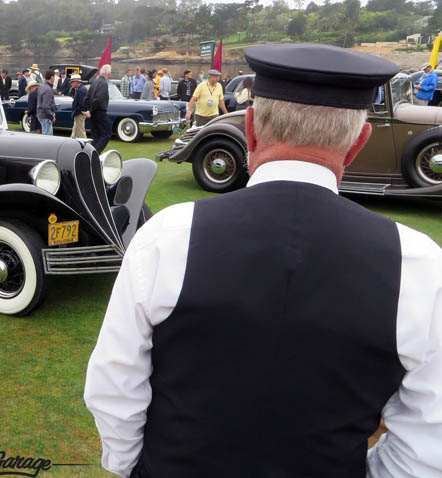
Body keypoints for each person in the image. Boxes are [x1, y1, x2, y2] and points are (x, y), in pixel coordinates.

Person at [85, 42, 442, 478]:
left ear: (250, 128)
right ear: (358, 143)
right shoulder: (420, 262)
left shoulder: (166, 235)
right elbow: (429, 437)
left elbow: (113, 387)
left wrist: (130, 468)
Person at [85, 64, 112, 153]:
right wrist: (91, 110)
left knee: (95, 135)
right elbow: (98, 100)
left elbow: (87, 98)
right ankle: (95, 152)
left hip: (93, 113)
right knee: (107, 133)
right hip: (99, 112)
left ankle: (91, 153)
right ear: (108, 74)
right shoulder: (103, 83)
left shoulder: (95, 82)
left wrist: (88, 110)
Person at [36, 70, 57, 136]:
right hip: (46, 116)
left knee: (45, 135)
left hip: (41, 114)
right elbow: (46, 106)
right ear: (52, 77)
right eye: (54, 76)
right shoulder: (48, 89)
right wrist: (51, 117)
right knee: (48, 138)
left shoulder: (41, 86)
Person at [69, 74, 88, 139]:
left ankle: (85, 145)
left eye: (72, 82)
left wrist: (77, 110)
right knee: (75, 130)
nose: (71, 84)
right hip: (78, 113)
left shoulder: (81, 90)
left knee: (81, 131)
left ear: (77, 82)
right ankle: (71, 141)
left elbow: (82, 104)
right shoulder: (81, 89)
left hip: (79, 113)